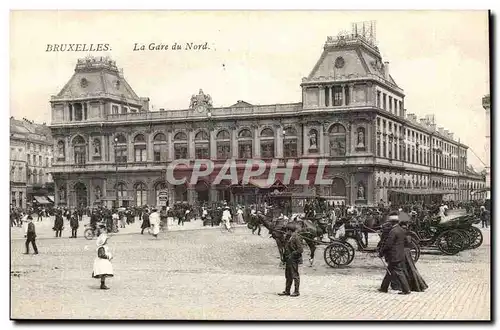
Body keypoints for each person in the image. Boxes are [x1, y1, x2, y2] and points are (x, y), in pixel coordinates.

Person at [378, 211, 411, 295]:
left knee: (398, 272)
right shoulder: (401, 230)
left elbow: (388, 244)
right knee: (389, 271)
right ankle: (383, 288)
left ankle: (406, 290)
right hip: (399, 254)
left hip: (394, 255)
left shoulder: (393, 231)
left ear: (392, 222)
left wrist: (381, 252)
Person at [278, 223, 303, 297]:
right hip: (288, 259)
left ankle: (296, 291)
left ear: (289, 230)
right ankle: (287, 291)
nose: (285, 232)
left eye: (286, 230)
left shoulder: (296, 237)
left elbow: (300, 249)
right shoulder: (289, 237)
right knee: (288, 275)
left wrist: (292, 254)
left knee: (295, 275)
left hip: (293, 259)